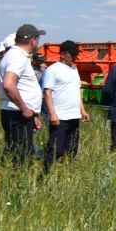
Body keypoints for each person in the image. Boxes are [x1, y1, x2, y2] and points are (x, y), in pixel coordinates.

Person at [0, 24, 45, 165]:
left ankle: (11, 180)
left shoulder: (14, 55)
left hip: (18, 113)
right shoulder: (17, 57)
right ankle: (16, 184)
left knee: (17, 152)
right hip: (18, 114)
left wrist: (33, 114)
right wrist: (24, 109)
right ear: (33, 40)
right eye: (38, 38)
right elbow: (8, 84)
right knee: (21, 157)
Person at [42, 40, 89, 174]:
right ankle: (47, 175)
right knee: (56, 148)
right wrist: (52, 114)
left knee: (72, 148)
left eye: (76, 54)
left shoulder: (74, 70)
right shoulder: (53, 70)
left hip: (74, 116)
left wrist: (83, 110)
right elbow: (47, 92)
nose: (75, 57)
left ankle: (66, 173)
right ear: (63, 54)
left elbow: (76, 91)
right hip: (60, 117)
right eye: (72, 54)